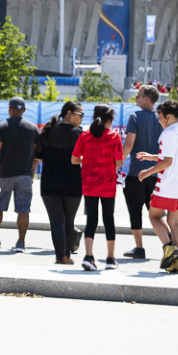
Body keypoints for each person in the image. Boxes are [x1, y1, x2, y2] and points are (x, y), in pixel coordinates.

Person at [137, 100, 178, 273]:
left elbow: (167, 161)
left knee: (154, 217)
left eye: (160, 117)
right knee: (173, 221)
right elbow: (172, 157)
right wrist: (152, 157)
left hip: (167, 185)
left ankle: (169, 248)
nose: (158, 120)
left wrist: (147, 172)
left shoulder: (167, 134)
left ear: (168, 117)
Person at [0, 97, 39, 252]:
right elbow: (36, 154)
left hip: (4, 174)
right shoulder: (33, 128)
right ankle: (21, 242)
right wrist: (31, 172)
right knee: (23, 209)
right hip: (25, 176)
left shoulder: (2, 126)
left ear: (9, 108)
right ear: (24, 110)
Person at [72, 104, 124, 271]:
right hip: (107, 183)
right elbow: (119, 162)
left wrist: (87, 160)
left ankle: (88, 256)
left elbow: (74, 160)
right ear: (110, 119)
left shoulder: (85, 135)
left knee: (91, 219)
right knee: (109, 219)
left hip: (89, 183)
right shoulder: (114, 136)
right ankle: (110, 258)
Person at [36, 101, 83, 264]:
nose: (82, 118)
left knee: (56, 222)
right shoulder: (77, 133)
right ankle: (66, 256)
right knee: (69, 221)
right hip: (72, 182)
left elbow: (38, 155)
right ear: (69, 113)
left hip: (50, 183)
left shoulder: (48, 131)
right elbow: (81, 157)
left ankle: (60, 256)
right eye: (80, 114)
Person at [121, 84, 162, 259]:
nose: (135, 98)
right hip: (156, 172)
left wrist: (118, 162)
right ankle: (169, 243)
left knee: (135, 210)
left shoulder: (135, 116)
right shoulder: (161, 119)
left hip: (136, 172)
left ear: (146, 99)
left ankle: (139, 247)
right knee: (157, 213)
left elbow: (129, 144)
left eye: (138, 95)